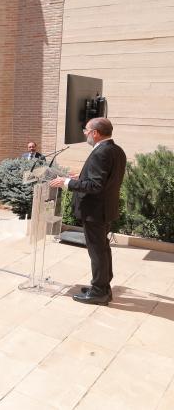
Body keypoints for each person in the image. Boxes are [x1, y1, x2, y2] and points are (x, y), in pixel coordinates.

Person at [50, 117, 126, 305]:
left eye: (86, 130)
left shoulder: (101, 153)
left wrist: (66, 182)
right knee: (102, 249)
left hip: (95, 211)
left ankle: (99, 292)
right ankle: (103, 287)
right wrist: (81, 176)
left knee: (97, 251)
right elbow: (105, 180)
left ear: (95, 133)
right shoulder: (116, 150)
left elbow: (95, 186)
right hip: (105, 209)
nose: (84, 133)